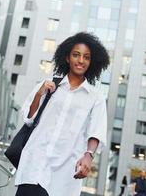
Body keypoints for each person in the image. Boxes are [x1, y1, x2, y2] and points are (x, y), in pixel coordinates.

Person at [15, 32, 110, 196]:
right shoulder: (50, 85)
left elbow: (96, 130)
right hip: (34, 165)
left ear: (91, 62)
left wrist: (89, 155)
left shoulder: (96, 97)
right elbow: (29, 119)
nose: (81, 60)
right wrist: (39, 94)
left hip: (63, 175)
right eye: (76, 55)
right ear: (67, 57)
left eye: (86, 57)